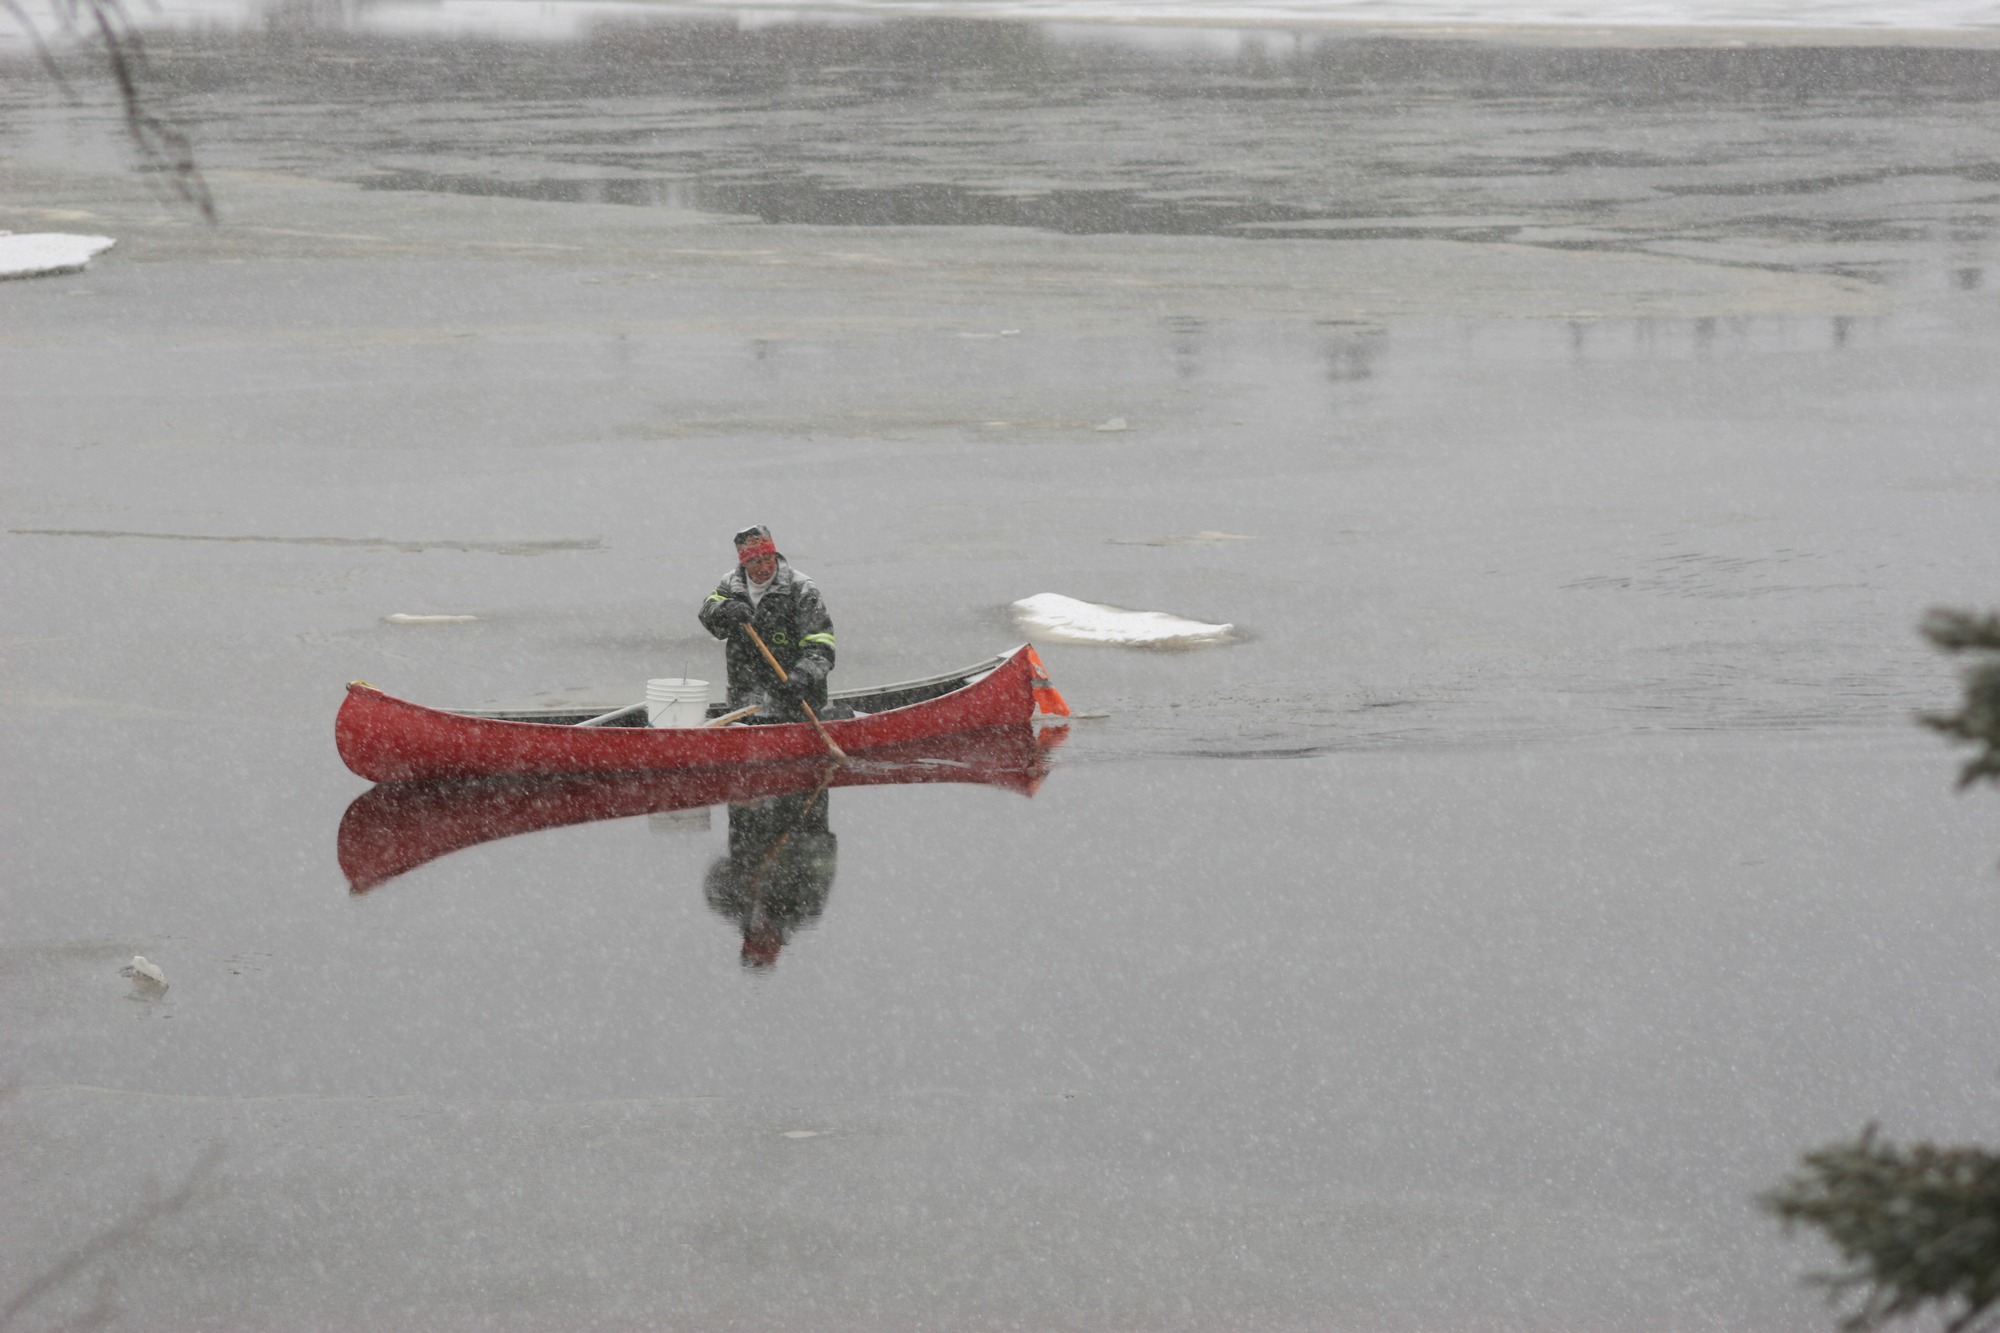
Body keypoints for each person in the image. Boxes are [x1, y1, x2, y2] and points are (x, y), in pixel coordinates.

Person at [696, 525, 836, 722]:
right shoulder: (732, 584)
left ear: (775, 554)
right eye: (755, 561)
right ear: (744, 563)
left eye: (768, 559)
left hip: (795, 702)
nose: (764, 568)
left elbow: (822, 645)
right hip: (744, 701)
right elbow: (707, 612)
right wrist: (725, 609)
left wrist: (803, 676)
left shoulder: (801, 588)